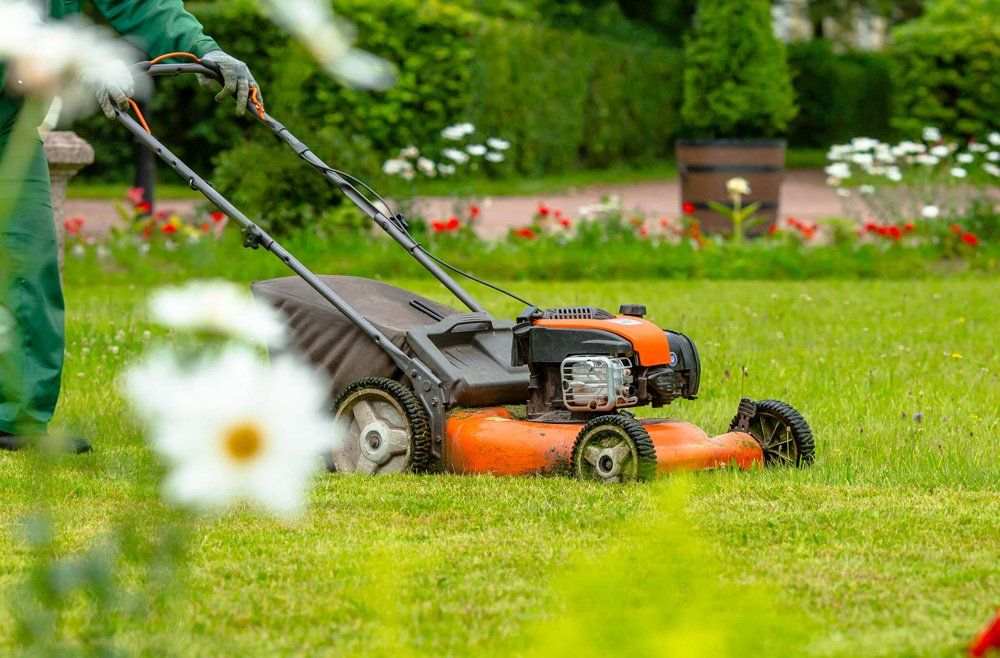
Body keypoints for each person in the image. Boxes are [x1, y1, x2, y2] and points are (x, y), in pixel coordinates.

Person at [0, 0, 263, 453]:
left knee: (29, 257)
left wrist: (202, 50)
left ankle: (16, 422)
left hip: (9, 123)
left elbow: (141, 2)